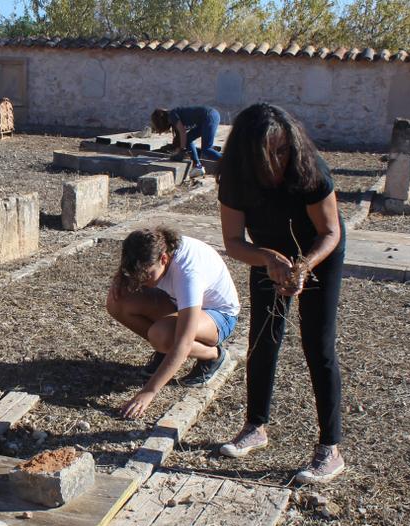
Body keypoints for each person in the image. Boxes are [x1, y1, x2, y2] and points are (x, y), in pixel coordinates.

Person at [215, 103, 346, 484]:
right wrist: (268, 259)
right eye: (267, 154)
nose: (277, 161)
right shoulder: (236, 178)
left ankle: (329, 449)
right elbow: (234, 241)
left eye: (283, 150)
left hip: (318, 252)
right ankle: (255, 426)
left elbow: (331, 231)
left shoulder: (310, 169)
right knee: (263, 338)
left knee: (317, 344)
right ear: (247, 154)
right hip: (268, 253)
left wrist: (304, 266)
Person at [108, 228, 240, 419]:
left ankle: (214, 355)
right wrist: (120, 277)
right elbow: (130, 267)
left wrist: (149, 392)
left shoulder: (188, 274)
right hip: (178, 302)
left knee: (162, 335)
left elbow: (183, 342)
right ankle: (165, 352)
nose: (140, 281)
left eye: (146, 275)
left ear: (163, 259)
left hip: (218, 315)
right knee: (117, 301)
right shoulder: (152, 248)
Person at [151, 106, 222, 176]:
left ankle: (230, 163)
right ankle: (198, 166)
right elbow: (181, 136)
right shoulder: (173, 115)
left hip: (209, 117)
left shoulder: (172, 115)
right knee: (188, 139)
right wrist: (178, 151)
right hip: (208, 117)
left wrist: (182, 150)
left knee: (207, 149)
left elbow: (182, 132)